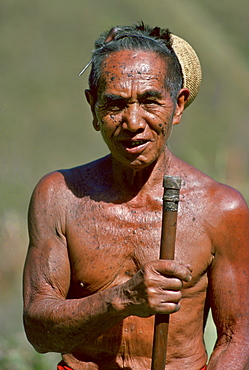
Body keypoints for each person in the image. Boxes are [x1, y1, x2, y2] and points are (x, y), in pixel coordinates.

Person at [23, 23, 249, 370]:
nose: (132, 122)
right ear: (93, 107)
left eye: (149, 101)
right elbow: (40, 334)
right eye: (115, 104)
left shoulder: (220, 208)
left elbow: (237, 339)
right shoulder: (59, 197)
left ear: (178, 105)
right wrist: (123, 298)